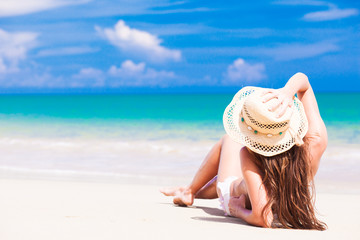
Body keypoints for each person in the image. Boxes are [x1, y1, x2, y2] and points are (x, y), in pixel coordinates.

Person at [160, 72, 327, 230]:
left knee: (228, 142)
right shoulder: (314, 143)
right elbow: (303, 80)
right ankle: (188, 191)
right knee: (236, 178)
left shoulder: (248, 155)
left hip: (232, 196)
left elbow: (264, 218)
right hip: (270, 198)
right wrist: (286, 93)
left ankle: (189, 191)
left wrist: (236, 209)